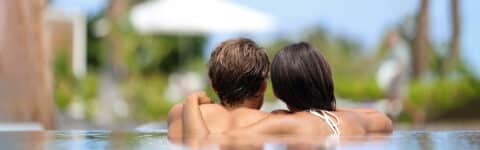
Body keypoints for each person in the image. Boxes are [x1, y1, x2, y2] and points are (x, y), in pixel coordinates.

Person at [182, 42, 393, 137]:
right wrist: (325, 107)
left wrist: (191, 102)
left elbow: (203, 141)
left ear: (278, 93)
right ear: (327, 79)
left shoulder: (281, 121)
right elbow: (385, 120)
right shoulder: (362, 120)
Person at [167, 38, 271, 139]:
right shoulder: (272, 122)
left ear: (213, 85)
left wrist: (191, 101)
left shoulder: (180, 113)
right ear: (263, 87)